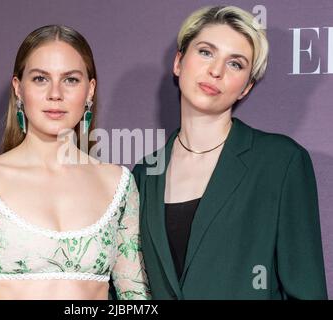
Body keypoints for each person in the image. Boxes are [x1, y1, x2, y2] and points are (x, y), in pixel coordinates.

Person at [0, 25, 150, 300]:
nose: (55, 94)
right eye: (40, 79)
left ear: (90, 90)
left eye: (70, 80)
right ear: (18, 89)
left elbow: (136, 297)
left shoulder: (119, 184)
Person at [133, 6, 327, 299]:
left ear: (246, 88)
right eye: (206, 52)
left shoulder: (280, 161)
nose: (216, 71)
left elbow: (306, 290)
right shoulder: (145, 173)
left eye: (235, 64)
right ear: (178, 62)